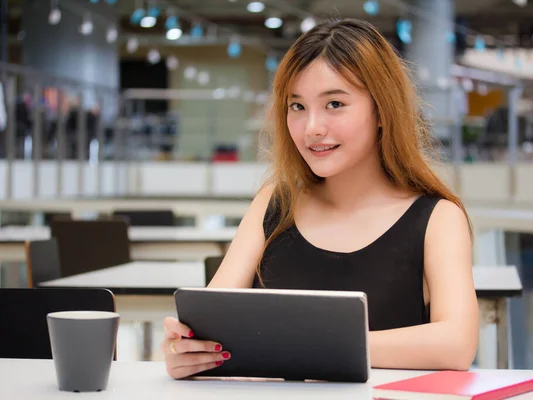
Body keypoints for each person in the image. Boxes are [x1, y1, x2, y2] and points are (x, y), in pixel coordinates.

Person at [162, 18, 479, 380]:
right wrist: (183, 351)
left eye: (334, 104)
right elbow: (210, 328)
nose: (312, 127)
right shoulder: (274, 203)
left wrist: (310, 344)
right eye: (297, 106)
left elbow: (457, 344)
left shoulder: (437, 217)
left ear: (382, 110)